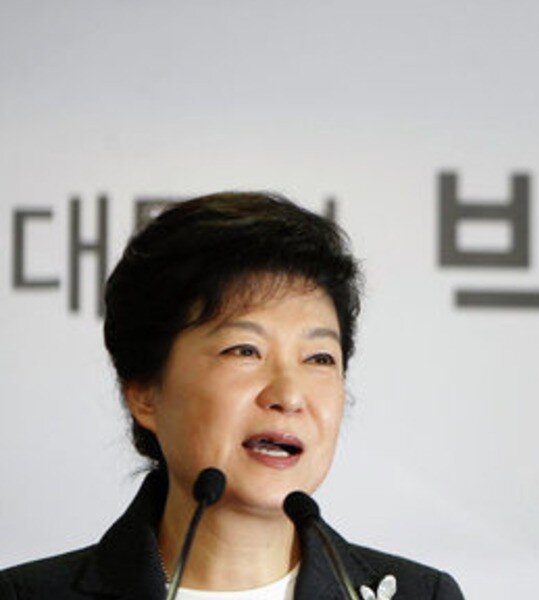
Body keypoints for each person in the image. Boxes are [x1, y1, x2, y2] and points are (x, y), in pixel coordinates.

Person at [0, 192, 464, 600]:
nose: (289, 395)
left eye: (319, 358)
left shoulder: (421, 596)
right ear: (144, 393)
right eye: (245, 350)